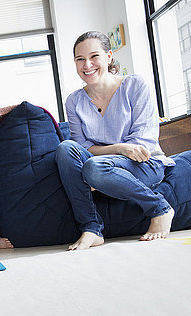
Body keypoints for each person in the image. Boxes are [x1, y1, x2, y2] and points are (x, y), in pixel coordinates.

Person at [55, 30, 175, 251]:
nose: (87, 65)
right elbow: (81, 146)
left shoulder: (135, 85)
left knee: (94, 168)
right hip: (103, 166)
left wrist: (103, 159)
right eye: (80, 59)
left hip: (145, 164)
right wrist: (119, 147)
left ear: (109, 57)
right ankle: (91, 228)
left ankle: (160, 208)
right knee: (65, 148)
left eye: (94, 57)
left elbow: (142, 145)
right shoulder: (73, 101)